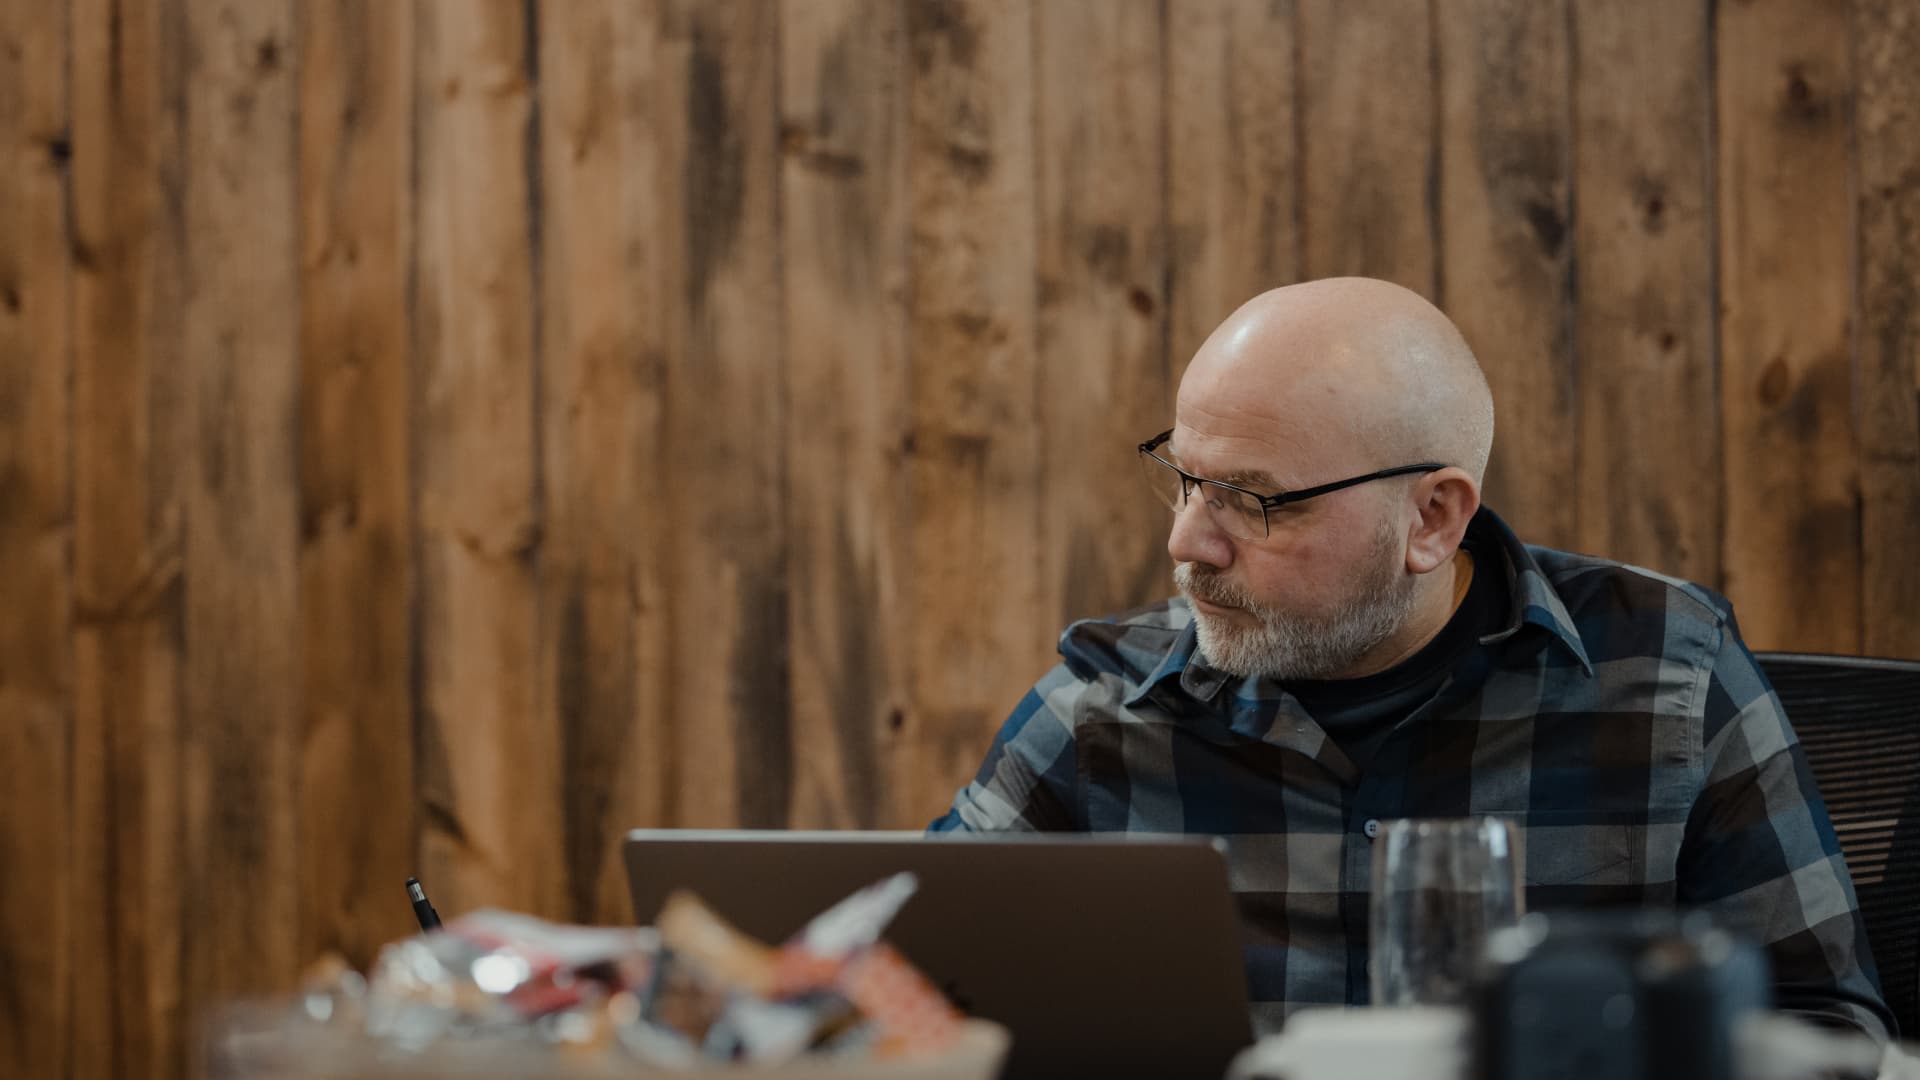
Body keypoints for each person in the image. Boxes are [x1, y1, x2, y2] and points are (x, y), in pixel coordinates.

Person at [929, 277, 1895, 1039]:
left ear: (1433, 517)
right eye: (1183, 480)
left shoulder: (1669, 676)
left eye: (1256, 502)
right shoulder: (1107, 707)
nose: (1189, 542)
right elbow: (890, 995)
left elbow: (1827, 1030)